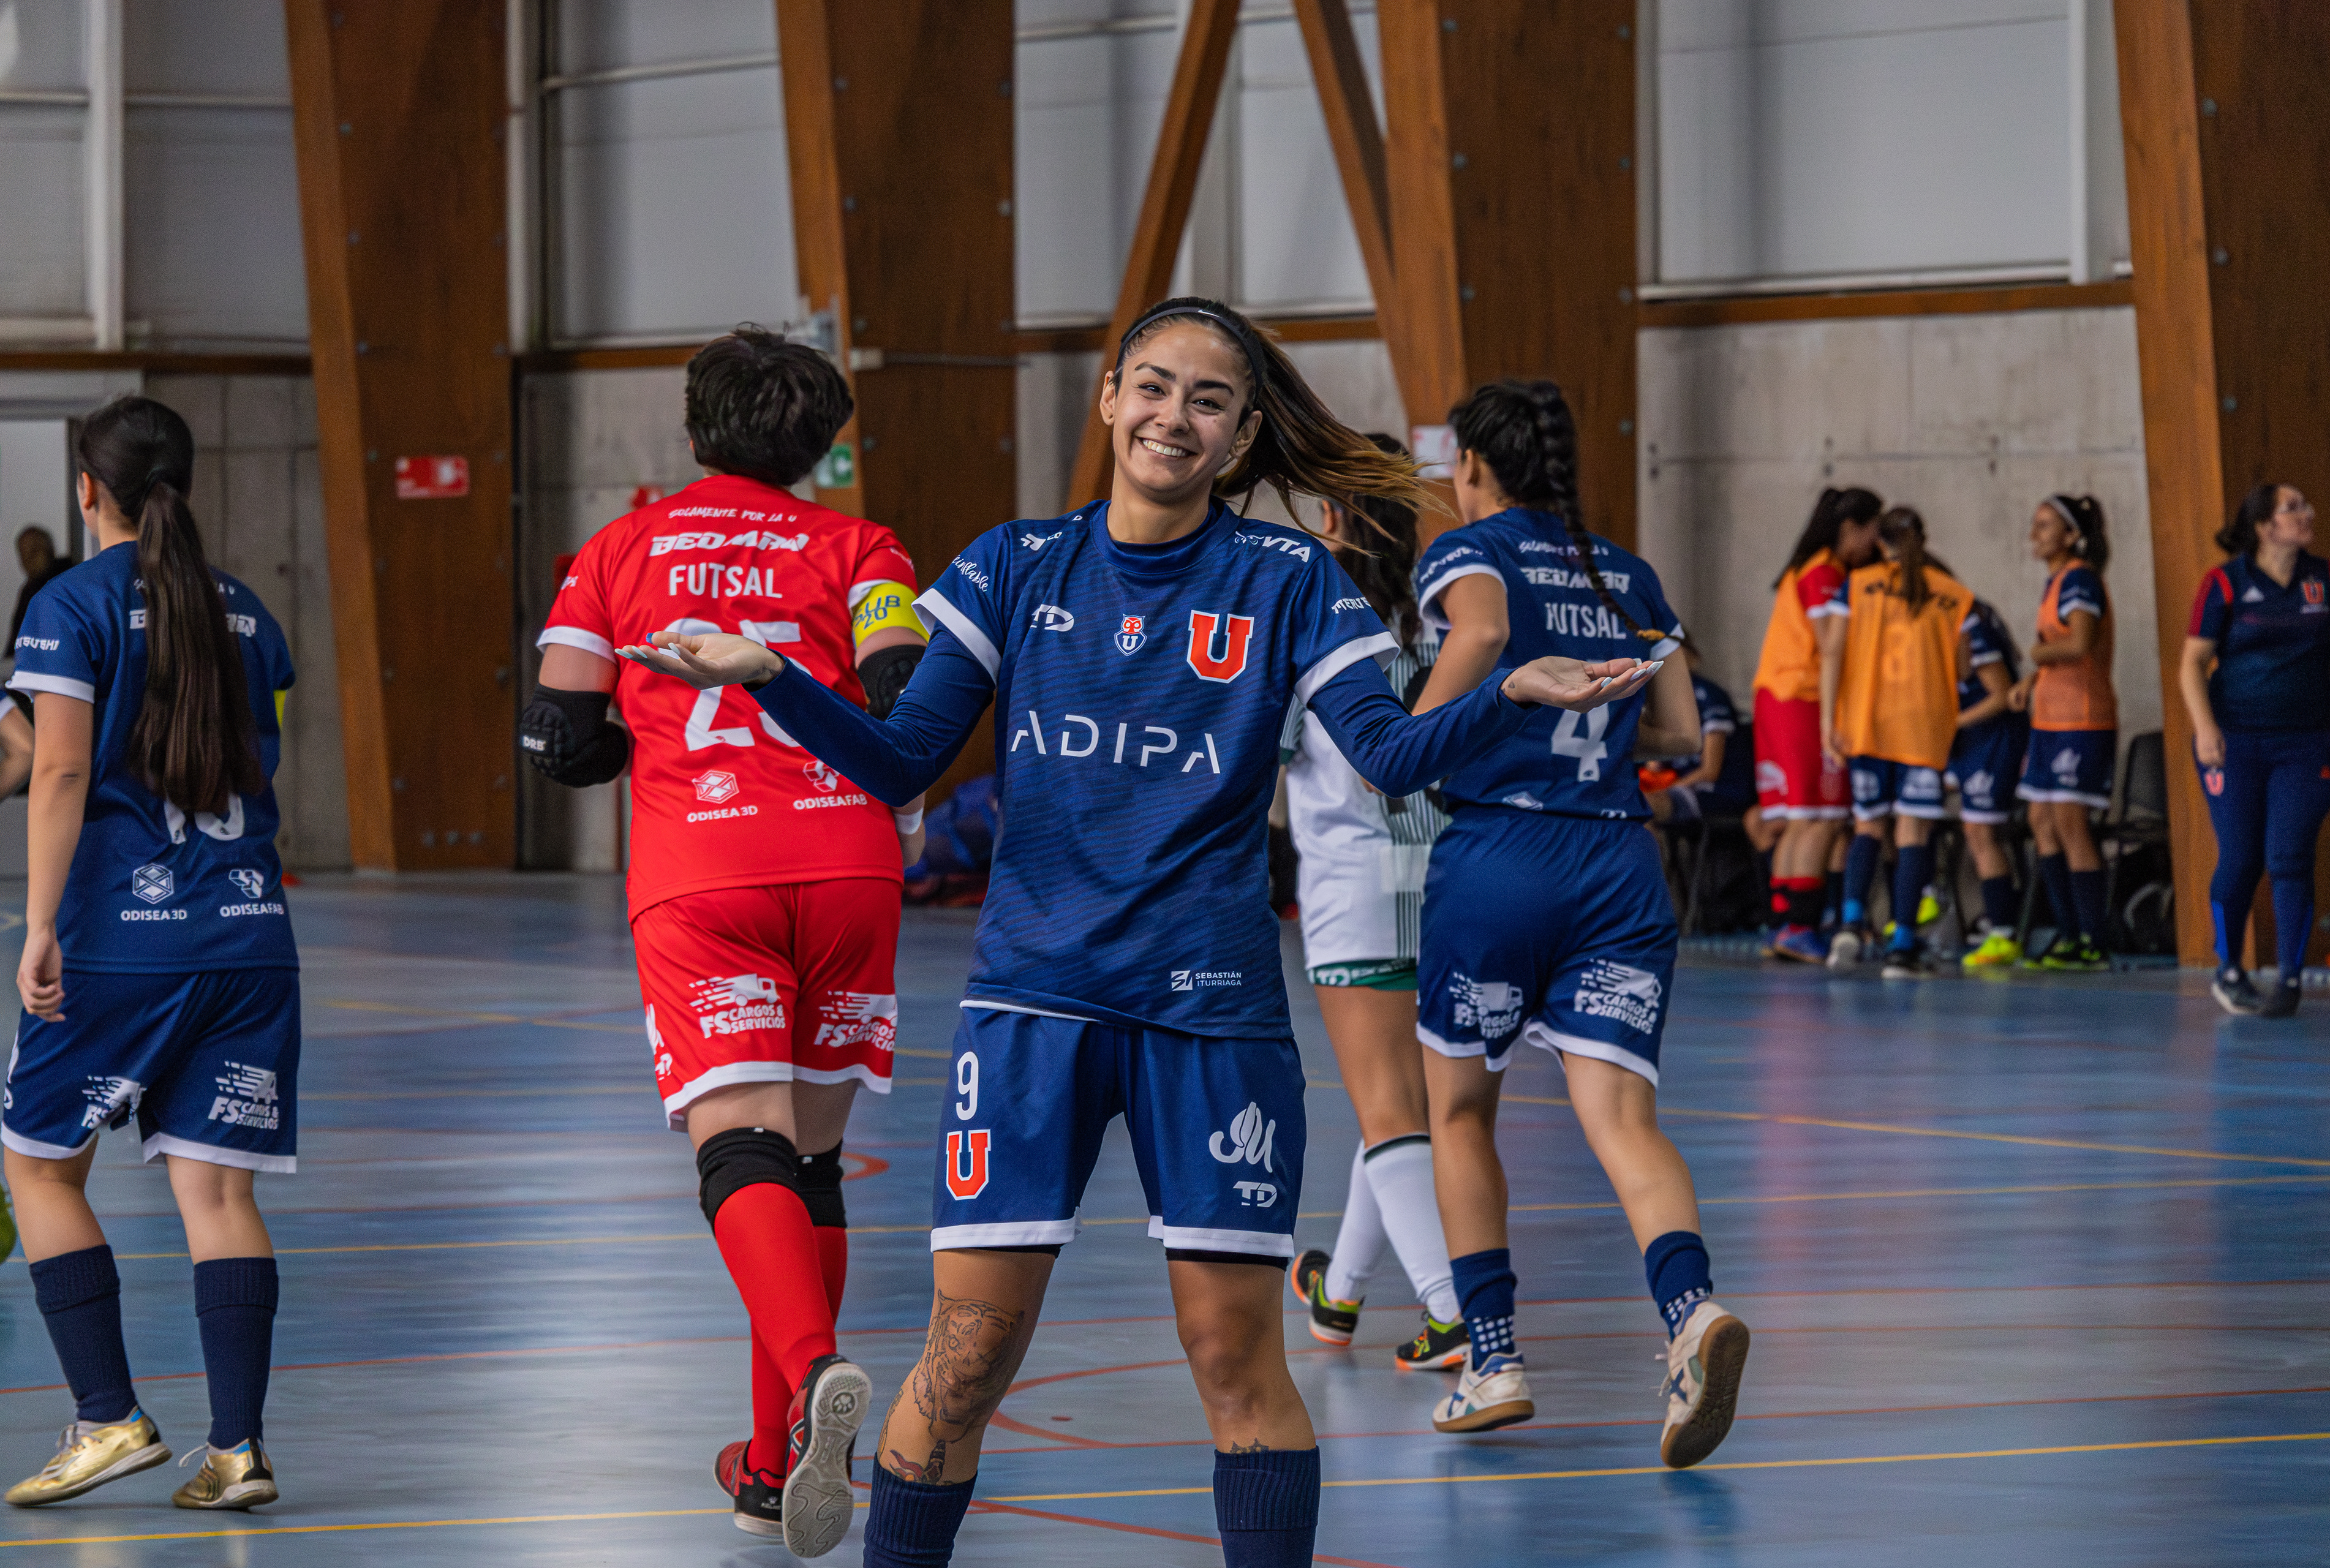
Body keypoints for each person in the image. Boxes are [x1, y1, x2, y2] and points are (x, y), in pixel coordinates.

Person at [619, 297, 1651, 1568]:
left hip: (1211, 1019)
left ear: (1241, 436)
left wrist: (1509, 695)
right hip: (1032, 1008)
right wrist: (774, 678)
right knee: (964, 1357)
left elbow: (1390, 757)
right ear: (1109, 398)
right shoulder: (1012, 563)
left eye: (1209, 400)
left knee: (1234, 1354)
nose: (1175, 415)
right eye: (1153, 386)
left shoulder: (1288, 579)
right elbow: (900, 758)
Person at [524, 327, 928, 1553]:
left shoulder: (618, 549)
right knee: (811, 1162)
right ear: (821, 445)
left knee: (740, 1145)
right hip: (850, 864)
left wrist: (635, 735)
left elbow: (558, 735)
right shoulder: (863, 547)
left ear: (696, 427)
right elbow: (905, 699)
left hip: (705, 869)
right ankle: (767, 1466)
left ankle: (813, 1373)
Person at [1408, 378, 1748, 1466]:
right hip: (1617, 865)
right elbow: (1682, 733)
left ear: (1471, 464)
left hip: (1502, 857)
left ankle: (1494, 1360)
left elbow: (1481, 632)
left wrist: (1419, 729)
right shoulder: (1627, 572)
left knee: (1461, 1116)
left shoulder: (1471, 554)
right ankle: (1692, 1312)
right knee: (1625, 1122)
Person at [2, 396, 298, 1512]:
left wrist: (39, 924)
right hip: (252, 937)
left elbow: (60, 770)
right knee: (217, 1194)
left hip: (124, 943)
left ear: (89, 491)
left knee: (39, 1168)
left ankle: (108, 1416)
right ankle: (238, 1451)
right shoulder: (247, 611)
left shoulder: (69, 603)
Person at [1280, 434, 1468, 1373]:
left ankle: (1452, 1309)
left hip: (1353, 888)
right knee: (1399, 1107)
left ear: (1329, 517)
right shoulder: (1445, 626)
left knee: (1391, 1112)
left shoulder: (1312, 623)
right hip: (1446, 880)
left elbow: (1258, 762)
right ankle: (1340, 1294)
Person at [2181, 483, 2330, 1017]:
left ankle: (2290, 980)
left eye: (2306, 504)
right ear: (2264, 527)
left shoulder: (2327, 580)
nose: (2308, 513)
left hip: (2304, 743)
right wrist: (2205, 728)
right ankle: (2230, 968)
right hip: (2235, 741)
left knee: (2289, 855)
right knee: (2241, 857)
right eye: (2293, 508)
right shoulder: (2224, 583)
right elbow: (2192, 664)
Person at [1817, 507, 1976, 978]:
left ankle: (1850, 925)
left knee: (1868, 826)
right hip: (1922, 728)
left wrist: (1828, 721)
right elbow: (1965, 668)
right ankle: (1902, 947)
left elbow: (1832, 651)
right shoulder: (1953, 593)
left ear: (1879, 542)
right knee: (1913, 834)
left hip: (1867, 723)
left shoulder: (1857, 585)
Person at [1753, 488, 1883, 962]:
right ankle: (1801, 927)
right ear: (1851, 529)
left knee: (1797, 821)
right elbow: (1832, 646)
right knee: (1821, 820)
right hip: (1804, 700)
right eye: (1873, 532)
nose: (1876, 543)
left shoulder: (1805, 568)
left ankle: (1783, 924)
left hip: (1778, 697)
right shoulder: (1825, 573)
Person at [2008, 494, 2118, 971]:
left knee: (2071, 824)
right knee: (2041, 821)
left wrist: (2036, 656)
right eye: (2035, 524)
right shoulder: (2055, 582)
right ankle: (2068, 933)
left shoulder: (2079, 579)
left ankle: (2094, 939)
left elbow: (2080, 641)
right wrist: (2033, 680)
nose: (2035, 534)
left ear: (2072, 535)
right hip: (2049, 720)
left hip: (2081, 719)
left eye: (2046, 525)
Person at [1948, 598, 2034, 969]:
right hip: (1973, 744)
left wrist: (1951, 723)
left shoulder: (1969, 626)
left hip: (1995, 739)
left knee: (1981, 832)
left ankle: (2004, 931)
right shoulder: (1948, 626)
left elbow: (2003, 695)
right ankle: (1994, 918)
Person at [1641, 639, 1739, 823]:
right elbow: (1653, 767)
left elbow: (1710, 771)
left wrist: (1667, 788)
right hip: (1674, 784)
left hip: (1712, 790)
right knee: (1623, 803)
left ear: (1691, 655)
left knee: (1641, 807)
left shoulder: (1708, 694)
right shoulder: (1661, 696)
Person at [9, 527, 74, 648]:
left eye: (34, 551)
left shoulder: (69, 579)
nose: (28, 559)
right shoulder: (29, 591)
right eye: (24, 554)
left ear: (49, 550)